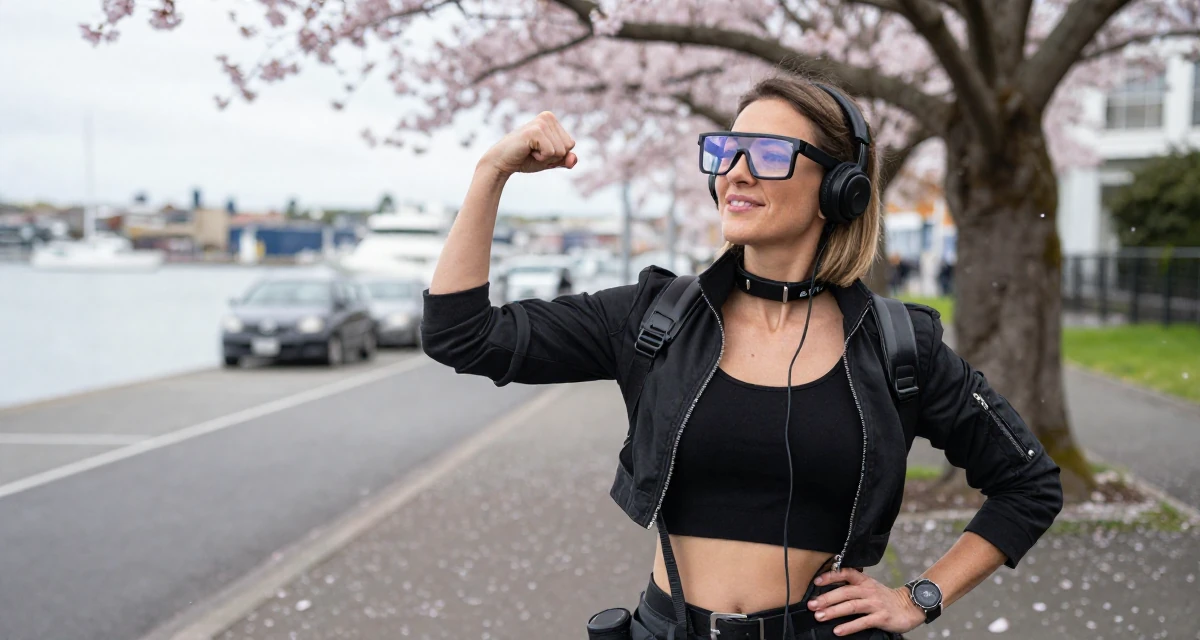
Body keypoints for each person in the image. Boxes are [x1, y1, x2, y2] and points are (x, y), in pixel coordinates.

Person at [420, 75, 1062, 640]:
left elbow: (1028, 483)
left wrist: (919, 597)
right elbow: (462, 335)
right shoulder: (654, 318)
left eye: (771, 154)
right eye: (727, 151)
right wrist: (491, 172)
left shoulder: (898, 345)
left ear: (840, 187)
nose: (737, 172)